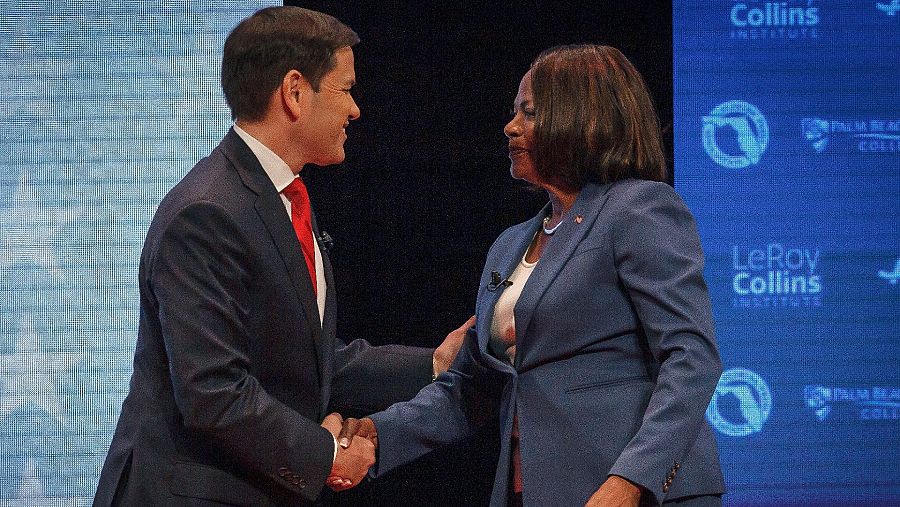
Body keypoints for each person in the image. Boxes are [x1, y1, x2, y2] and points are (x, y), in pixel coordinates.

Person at [92, 7, 470, 506]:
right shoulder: (209, 213)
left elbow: (303, 360)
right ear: (295, 92)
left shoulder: (282, 199)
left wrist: (434, 364)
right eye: (345, 89)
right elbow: (213, 392)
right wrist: (330, 455)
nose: (355, 110)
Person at [333, 45, 726, 506]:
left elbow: (692, 357)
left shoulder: (638, 209)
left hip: (628, 493)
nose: (510, 126)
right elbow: (470, 387)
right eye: (514, 111)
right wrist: (378, 435)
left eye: (530, 112)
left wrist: (631, 481)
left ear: (585, 120)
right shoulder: (510, 244)